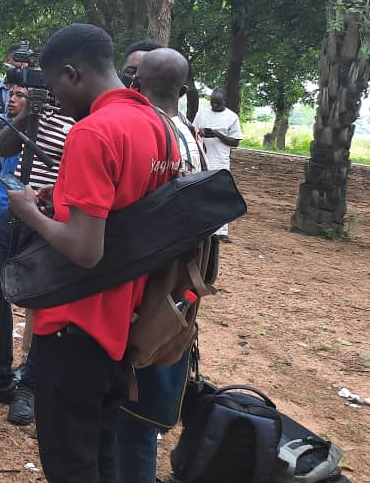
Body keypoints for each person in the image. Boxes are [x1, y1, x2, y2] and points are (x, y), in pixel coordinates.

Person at [6, 23, 178, 483]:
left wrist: (30, 212)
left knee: (71, 464)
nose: (57, 102)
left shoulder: (93, 132)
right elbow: (126, 210)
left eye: (55, 87)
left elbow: (85, 249)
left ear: (71, 73)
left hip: (76, 323)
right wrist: (62, 196)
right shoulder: (157, 127)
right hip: (122, 323)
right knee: (102, 455)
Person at [114, 47, 206, 483]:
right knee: (143, 419)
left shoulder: (143, 133)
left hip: (143, 293)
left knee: (128, 415)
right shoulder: (194, 138)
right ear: (183, 90)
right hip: (180, 294)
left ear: (134, 85)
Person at [0, 86, 75, 427]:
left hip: (52, 218)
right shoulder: (37, 114)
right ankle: (0, 376)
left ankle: (29, 386)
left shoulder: (83, 118)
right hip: (15, 211)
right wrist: (28, 113)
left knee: (44, 307)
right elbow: (3, 146)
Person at [193, 87, 242, 243]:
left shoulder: (231, 117)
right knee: (201, 193)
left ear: (224, 102)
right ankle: (200, 227)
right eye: (212, 103)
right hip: (202, 157)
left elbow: (235, 142)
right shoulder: (202, 114)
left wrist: (217, 134)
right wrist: (201, 132)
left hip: (220, 160)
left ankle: (222, 230)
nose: (214, 106)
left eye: (218, 103)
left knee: (220, 194)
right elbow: (192, 131)